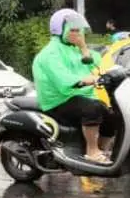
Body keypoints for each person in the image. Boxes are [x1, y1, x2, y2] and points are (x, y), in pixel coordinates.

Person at [32, 9, 115, 163]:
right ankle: (92, 152)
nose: (77, 33)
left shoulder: (75, 49)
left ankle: (102, 150)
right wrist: (84, 80)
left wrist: (83, 47)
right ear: (60, 30)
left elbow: (97, 65)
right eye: (73, 29)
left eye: (79, 29)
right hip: (58, 100)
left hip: (79, 96)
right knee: (92, 108)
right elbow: (63, 80)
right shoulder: (50, 53)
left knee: (111, 115)